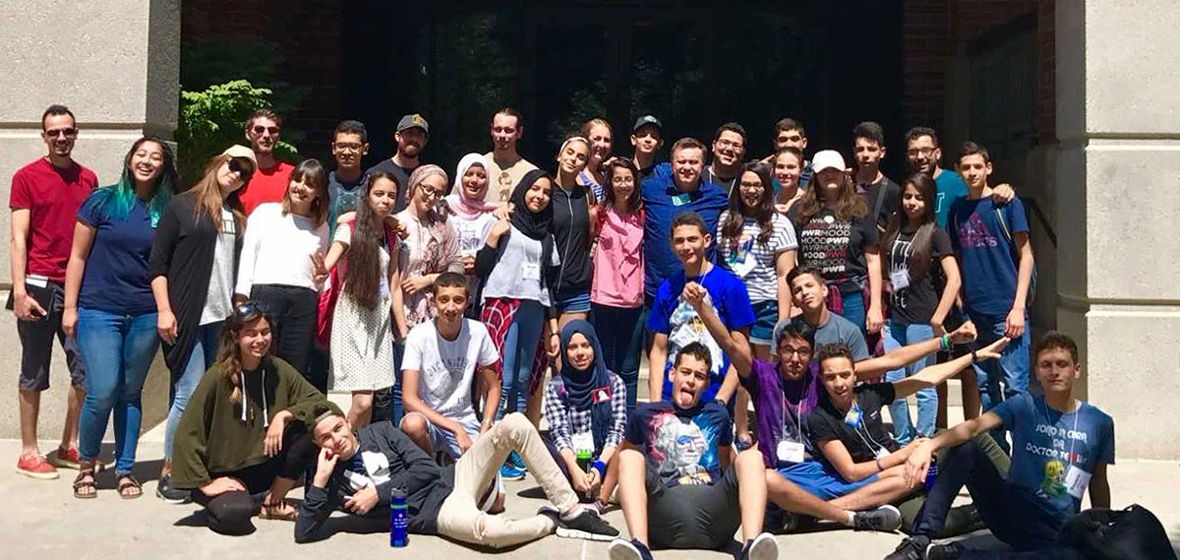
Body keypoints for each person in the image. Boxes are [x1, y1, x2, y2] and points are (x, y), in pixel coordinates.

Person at [886, 332, 1114, 560]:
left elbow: (1098, 481)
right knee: (967, 449)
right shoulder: (1024, 405)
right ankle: (920, 540)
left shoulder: (1099, 423)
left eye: (1062, 364)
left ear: (1076, 370)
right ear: (1036, 372)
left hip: (1057, 527)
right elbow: (974, 427)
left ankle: (952, 556)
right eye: (1046, 365)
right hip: (1012, 510)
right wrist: (930, 446)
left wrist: (1105, 532)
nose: (1054, 372)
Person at [296, 409, 620, 546]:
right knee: (493, 534)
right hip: (436, 515)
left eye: (337, 428)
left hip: (453, 478)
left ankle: (571, 510)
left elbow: (424, 468)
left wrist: (378, 494)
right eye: (325, 437)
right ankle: (552, 522)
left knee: (516, 423)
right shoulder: (332, 480)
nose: (335, 439)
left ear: (347, 424)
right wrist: (322, 480)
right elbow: (305, 533)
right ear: (318, 444)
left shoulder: (380, 432)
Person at [61, 136, 176, 498]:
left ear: (163, 166)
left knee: (130, 393)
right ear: (130, 160)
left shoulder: (168, 208)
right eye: (141, 154)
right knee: (102, 390)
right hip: (99, 309)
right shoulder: (103, 201)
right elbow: (77, 257)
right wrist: (70, 306)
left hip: (144, 312)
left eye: (155, 157)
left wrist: (165, 309)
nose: (147, 161)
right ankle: (87, 464)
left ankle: (126, 469)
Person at [608, 342, 779, 560]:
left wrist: (747, 477)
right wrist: (600, 500)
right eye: (685, 372)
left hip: (714, 517)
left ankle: (751, 548)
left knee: (752, 458)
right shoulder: (645, 415)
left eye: (699, 376)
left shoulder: (718, 415)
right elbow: (622, 462)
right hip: (665, 513)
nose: (691, 380)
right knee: (629, 457)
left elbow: (727, 463)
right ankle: (640, 548)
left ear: (706, 384)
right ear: (672, 374)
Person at [168, 302, 327, 535]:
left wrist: (284, 415)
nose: (260, 340)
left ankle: (272, 501)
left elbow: (320, 402)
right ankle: (248, 502)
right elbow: (187, 431)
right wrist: (205, 483)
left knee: (312, 430)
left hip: (262, 469)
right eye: (251, 334)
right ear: (236, 336)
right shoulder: (217, 376)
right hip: (224, 474)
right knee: (235, 515)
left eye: (265, 332)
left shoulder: (278, 369)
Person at [149, 146, 252, 503]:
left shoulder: (236, 216)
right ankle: (172, 468)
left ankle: (201, 465)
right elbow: (158, 264)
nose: (237, 174)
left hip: (222, 321)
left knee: (213, 396)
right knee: (188, 391)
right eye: (233, 165)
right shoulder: (182, 205)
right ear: (216, 161)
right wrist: (164, 309)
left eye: (245, 172)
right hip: (188, 317)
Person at [805, 339, 1008, 513]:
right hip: (886, 483)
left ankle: (1020, 489)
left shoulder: (869, 395)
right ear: (822, 380)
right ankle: (980, 515)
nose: (839, 384)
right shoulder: (820, 418)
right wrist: (904, 455)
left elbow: (927, 378)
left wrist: (973, 357)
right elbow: (851, 473)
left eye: (845, 375)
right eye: (831, 377)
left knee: (972, 434)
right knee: (921, 522)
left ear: (855, 375)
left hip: (912, 466)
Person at [10, 104, 96, 479]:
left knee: (86, 370)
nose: (62, 138)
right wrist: (18, 291)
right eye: (54, 132)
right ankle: (28, 451)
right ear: (43, 136)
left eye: (68, 131)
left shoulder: (89, 179)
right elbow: (18, 238)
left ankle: (69, 445)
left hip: (77, 289)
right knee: (34, 371)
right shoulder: (26, 177)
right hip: (39, 287)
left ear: (76, 134)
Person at [949, 141, 1035, 449]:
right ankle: (1000, 457)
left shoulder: (1007, 204)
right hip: (975, 313)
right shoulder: (958, 210)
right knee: (986, 388)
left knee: (1015, 388)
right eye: (965, 167)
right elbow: (957, 259)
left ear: (989, 168)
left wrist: (1018, 307)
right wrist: (961, 306)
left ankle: (1026, 455)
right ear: (958, 171)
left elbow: (1026, 256)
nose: (971, 173)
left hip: (1006, 310)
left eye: (977, 166)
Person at [474, 170, 559, 479]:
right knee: (502, 380)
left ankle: (515, 449)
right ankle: (492, 451)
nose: (539, 195)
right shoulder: (503, 225)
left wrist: (554, 328)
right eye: (534, 189)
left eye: (546, 192)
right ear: (523, 190)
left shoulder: (546, 236)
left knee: (524, 382)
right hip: (501, 303)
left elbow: (549, 284)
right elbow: (482, 267)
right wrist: (494, 236)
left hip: (533, 307)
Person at [881, 173, 963, 444]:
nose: (912, 203)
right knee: (893, 380)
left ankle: (923, 438)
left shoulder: (935, 233)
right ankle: (903, 439)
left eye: (919, 198)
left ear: (929, 201)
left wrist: (938, 317)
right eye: (907, 196)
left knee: (922, 381)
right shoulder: (894, 227)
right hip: (894, 317)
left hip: (921, 318)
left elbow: (954, 278)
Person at [234, 159, 330, 386]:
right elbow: (248, 256)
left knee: (293, 367)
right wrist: (241, 297)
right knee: (258, 359)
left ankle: (284, 417)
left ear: (318, 192)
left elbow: (319, 274)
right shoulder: (265, 213)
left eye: (310, 184)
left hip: (303, 300)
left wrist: (321, 280)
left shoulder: (321, 227)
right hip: (266, 293)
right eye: (297, 180)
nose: (301, 187)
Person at [648, 211, 754, 407]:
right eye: (679, 241)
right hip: (672, 394)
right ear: (671, 245)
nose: (686, 247)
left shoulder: (730, 286)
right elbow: (658, 350)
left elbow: (741, 352)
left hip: (713, 393)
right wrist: (654, 403)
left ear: (706, 241)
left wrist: (721, 399)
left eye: (692, 239)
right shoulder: (668, 288)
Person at [323, 172, 401, 429]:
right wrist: (321, 268)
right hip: (354, 316)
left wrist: (401, 327)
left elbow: (394, 283)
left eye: (391, 195)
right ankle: (337, 447)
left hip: (379, 318)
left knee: (374, 396)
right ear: (367, 195)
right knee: (363, 401)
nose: (385, 200)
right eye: (379, 194)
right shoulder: (350, 228)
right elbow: (331, 260)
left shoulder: (391, 236)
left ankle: (359, 455)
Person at [400, 273, 500, 462]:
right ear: (433, 302)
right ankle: (431, 466)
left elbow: (494, 386)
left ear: (467, 302)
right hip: (429, 418)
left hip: (465, 417)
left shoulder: (478, 332)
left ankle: (449, 457)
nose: (451, 308)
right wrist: (455, 428)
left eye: (458, 300)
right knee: (412, 424)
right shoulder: (418, 336)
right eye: (444, 300)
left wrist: (486, 424)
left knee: (494, 491)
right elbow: (409, 398)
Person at [789, 149, 883, 339]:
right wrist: (793, 301)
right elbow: (792, 261)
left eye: (834, 171)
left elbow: (873, 261)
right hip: (812, 295)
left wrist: (875, 306)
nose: (829, 175)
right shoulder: (799, 210)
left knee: (852, 352)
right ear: (815, 175)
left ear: (843, 174)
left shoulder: (859, 209)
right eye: (824, 171)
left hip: (852, 295)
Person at [543, 320, 627, 510]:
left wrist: (600, 466)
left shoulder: (614, 383)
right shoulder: (557, 387)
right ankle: (585, 486)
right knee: (542, 443)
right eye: (572, 347)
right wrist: (574, 468)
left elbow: (617, 431)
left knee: (630, 444)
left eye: (585, 345)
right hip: (571, 460)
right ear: (564, 351)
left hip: (605, 459)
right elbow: (559, 432)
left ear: (594, 347)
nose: (580, 353)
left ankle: (601, 487)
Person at [717, 162, 797, 359]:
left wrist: (783, 318)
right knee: (735, 367)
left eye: (757, 185)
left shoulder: (780, 223)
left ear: (766, 188)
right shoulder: (725, 220)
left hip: (765, 306)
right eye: (745, 185)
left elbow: (784, 274)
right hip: (732, 304)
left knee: (764, 370)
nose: (751, 190)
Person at [590, 158, 645, 415]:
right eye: (618, 179)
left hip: (634, 299)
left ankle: (629, 421)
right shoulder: (599, 213)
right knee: (604, 365)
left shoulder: (643, 214)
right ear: (609, 183)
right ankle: (603, 417)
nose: (623, 184)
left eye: (628, 179)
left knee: (629, 368)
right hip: (603, 297)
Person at [642, 137, 729, 301]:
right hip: (656, 291)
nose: (687, 167)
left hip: (701, 291)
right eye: (681, 162)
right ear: (672, 164)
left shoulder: (717, 197)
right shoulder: (650, 190)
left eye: (693, 162)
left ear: (703, 166)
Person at [904, 127, 1017, 231]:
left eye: (925, 150)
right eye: (913, 152)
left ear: (938, 153)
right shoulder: (907, 189)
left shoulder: (957, 181)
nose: (919, 157)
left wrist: (1004, 189)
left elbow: (984, 198)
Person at [395, 164, 463, 331]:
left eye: (438, 194)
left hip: (435, 310)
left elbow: (457, 265)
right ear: (414, 185)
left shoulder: (443, 225)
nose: (432, 197)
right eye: (428, 189)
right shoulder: (396, 222)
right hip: (399, 308)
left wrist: (430, 279)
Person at [550, 136, 595, 326]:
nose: (573, 159)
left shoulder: (587, 194)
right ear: (559, 156)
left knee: (571, 348)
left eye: (580, 157)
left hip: (576, 288)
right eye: (569, 153)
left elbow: (592, 235)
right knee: (545, 352)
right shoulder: (544, 190)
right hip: (545, 286)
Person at [445, 153, 498, 314]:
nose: (474, 180)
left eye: (481, 176)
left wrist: (479, 262)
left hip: (477, 296)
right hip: (445, 292)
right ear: (460, 176)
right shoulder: (443, 208)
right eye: (469, 174)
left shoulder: (493, 214)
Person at [787, 266, 870, 361]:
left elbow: (861, 371)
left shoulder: (849, 332)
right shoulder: (785, 330)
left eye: (809, 286)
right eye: (798, 290)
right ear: (794, 301)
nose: (805, 292)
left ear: (824, 290)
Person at [366, 113, 429, 213]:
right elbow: (365, 211)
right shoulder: (376, 173)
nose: (414, 139)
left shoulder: (428, 176)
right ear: (397, 136)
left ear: (425, 141)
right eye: (409, 133)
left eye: (419, 135)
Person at [236, 109, 294, 216]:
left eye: (272, 130)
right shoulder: (234, 173)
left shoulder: (293, 175)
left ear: (278, 136)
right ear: (248, 134)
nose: (266, 135)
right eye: (259, 129)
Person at [852, 121, 902, 232]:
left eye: (871, 149)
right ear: (854, 152)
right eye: (860, 149)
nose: (865, 155)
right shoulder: (845, 184)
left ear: (882, 152)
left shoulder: (893, 191)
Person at [483, 108, 539, 205]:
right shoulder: (477, 165)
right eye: (498, 129)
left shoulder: (530, 173)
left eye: (508, 131)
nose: (502, 135)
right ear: (491, 130)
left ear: (519, 132)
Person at [326, 120, 370, 237]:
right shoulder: (323, 184)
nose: (346, 152)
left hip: (364, 253)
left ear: (365, 149)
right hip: (327, 253)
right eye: (341, 146)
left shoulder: (373, 187)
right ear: (334, 148)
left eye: (354, 146)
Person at [761, 117, 812, 190]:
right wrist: (758, 171)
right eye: (783, 139)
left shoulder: (816, 174)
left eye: (794, 139)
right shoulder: (766, 173)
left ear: (804, 143)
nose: (789, 144)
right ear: (775, 144)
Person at [704, 122, 749, 195]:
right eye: (725, 142)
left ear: (743, 152)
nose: (729, 149)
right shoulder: (698, 177)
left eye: (736, 145)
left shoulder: (747, 180)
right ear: (713, 146)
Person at [578, 118, 613, 202]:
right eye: (597, 139)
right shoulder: (576, 177)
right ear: (586, 140)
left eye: (606, 140)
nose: (602, 145)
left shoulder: (607, 177)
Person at [630, 115, 667, 181]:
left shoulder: (665, 174)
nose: (648, 140)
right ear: (633, 140)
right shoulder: (622, 170)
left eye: (654, 136)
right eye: (643, 135)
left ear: (659, 143)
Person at [772, 146, 807, 215]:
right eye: (780, 167)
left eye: (791, 167)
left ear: (801, 170)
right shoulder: (770, 202)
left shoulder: (808, 202)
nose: (785, 172)